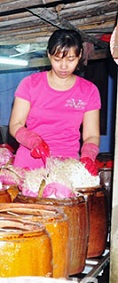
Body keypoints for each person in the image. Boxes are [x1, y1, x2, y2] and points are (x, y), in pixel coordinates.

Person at [9, 29, 101, 174]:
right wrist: (33, 141)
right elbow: (15, 124)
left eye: (71, 59)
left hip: (66, 165)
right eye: (57, 59)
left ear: (80, 55)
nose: (64, 66)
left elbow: (91, 135)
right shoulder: (30, 84)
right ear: (48, 55)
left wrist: (88, 156)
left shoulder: (89, 91)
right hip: (29, 162)